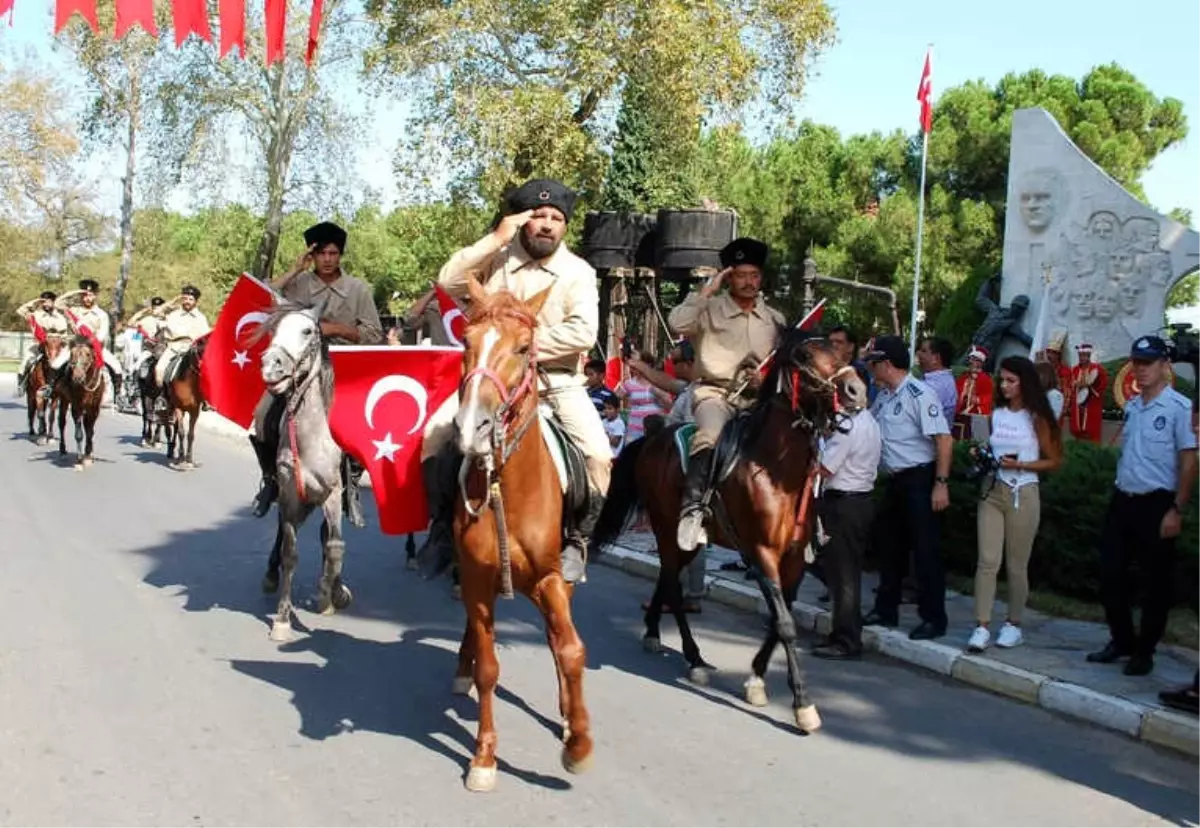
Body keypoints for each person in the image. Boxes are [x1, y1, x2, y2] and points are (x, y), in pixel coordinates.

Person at [418, 178, 610, 584]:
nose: (546, 224)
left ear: (565, 226)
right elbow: (449, 281)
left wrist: (521, 346)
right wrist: (493, 238)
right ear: (522, 221)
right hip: (492, 382)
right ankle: (440, 530)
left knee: (598, 455)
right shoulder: (497, 260)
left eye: (556, 218)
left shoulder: (579, 272)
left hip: (556, 381)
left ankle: (577, 540)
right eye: (538, 216)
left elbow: (583, 332)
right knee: (434, 436)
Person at [250, 221, 383, 528]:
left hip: (341, 369)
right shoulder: (300, 285)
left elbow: (374, 333)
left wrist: (335, 329)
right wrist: (295, 269)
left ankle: (350, 488)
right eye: (321, 253)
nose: (327, 259)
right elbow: (262, 296)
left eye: (333, 253)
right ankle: (271, 478)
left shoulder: (357, 289)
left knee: (359, 425)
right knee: (262, 413)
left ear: (340, 255)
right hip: (299, 367)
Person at [668, 237, 785, 552]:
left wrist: (766, 379)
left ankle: (805, 518)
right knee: (710, 435)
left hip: (761, 400)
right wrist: (708, 289)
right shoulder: (709, 309)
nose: (749, 282)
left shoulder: (775, 319)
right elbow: (677, 322)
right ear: (729, 277)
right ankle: (694, 510)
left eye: (754, 275)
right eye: (741, 275)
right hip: (717, 395)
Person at [1087, 336, 1196, 676]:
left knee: (1155, 584)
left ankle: (1144, 651)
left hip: (1157, 504)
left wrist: (1176, 508)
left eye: (1148, 363)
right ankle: (1121, 640)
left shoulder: (1179, 408)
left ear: (1166, 366)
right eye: (1137, 362)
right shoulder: (1133, 406)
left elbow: (1189, 462)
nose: (1141, 369)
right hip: (1123, 500)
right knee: (1110, 574)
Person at [966, 356, 1063, 653]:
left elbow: (1055, 459)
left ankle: (1013, 624)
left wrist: (1021, 465)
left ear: (1025, 382)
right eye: (1002, 379)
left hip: (1024, 492)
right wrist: (979, 453)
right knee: (987, 561)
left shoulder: (1037, 417)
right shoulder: (996, 414)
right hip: (993, 489)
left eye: (1011, 380)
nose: (1005, 385)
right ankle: (981, 625)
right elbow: (990, 446)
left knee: (1016, 564)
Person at [863, 335, 952, 640]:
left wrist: (941, 484)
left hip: (920, 478)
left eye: (874, 363)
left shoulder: (919, 394)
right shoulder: (886, 395)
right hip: (896, 480)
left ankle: (933, 618)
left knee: (925, 551)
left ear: (886, 364)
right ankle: (886, 608)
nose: (871, 369)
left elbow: (943, 439)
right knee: (888, 545)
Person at [812, 371, 880, 659]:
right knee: (845, 571)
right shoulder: (869, 422)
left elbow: (825, 469)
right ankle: (845, 632)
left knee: (843, 576)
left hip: (844, 503)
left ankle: (846, 639)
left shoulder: (848, 427)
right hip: (861, 500)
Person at [56, 279, 123, 397]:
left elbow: (102, 335)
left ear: (95, 296)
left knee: (116, 366)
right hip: (75, 346)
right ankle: (51, 387)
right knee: (56, 364)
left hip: (95, 347)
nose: (87, 298)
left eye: (90, 295)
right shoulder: (74, 311)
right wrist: (75, 292)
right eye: (84, 295)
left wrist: (90, 341)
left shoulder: (101, 314)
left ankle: (117, 394)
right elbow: (58, 304)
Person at [153, 286, 211, 389]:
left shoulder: (201, 318)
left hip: (193, 350)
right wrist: (172, 301)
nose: (187, 302)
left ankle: (208, 401)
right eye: (185, 299)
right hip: (174, 348)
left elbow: (205, 335)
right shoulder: (174, 315)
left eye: (191, 299)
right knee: (159, 368)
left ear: (196, 301)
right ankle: (162, 397)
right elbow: (156, 313)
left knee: (210, 371)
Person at [14, 290, 71, 392]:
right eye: (44, 301)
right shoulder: (36, 315)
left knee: (69, 363)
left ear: (54, 302)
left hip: (57, 346)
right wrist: (36, 301)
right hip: (39, 345)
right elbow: (20, 310)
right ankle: (22, 384)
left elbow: (64, 335)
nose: (46, 304)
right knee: (26, 361)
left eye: (49, 301)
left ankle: (68, 387)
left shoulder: (60, 317)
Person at [616, 349, 672, 442]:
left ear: (648, 364)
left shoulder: (660, 382)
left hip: (655, 430)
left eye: (637, 363)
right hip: (634, 431)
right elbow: (614, 398)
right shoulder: (629, 383)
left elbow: (670, 406)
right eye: (632, 364)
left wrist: (658, 393)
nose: (633, 366)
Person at [953, 345, 993, 441]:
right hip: (960, 414)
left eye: (974, 359)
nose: (971, 362)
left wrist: (977, 400)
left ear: (980, 362)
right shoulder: (963, 377)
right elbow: (956, 393)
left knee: (978, 440)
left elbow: (989, 397)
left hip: (977, 415)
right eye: (971, 359)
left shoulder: (986, 379)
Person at [1070, 343, 1107, 443]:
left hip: (1091, 403)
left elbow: (1102, 384)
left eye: (1084, 355)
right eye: (1080, 355)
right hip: (1078, 405)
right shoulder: (1074, 370)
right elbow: (1070, 385)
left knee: (1091, 431)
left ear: (1089, 356)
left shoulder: (1097, 369)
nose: (1082, 358)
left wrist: (1090, 386)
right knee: (1078, 430)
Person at [917, 336, 957, 425]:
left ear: (936, 358)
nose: (918, 353)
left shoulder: (938, 386)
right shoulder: (943, 380)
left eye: (923, 351)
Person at [829, 325, 874, 404]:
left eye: (839, 342)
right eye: (831, 342)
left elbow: (860, 402)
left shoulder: (859, 370)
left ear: (850, 347)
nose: (834, 345)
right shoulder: (825, 368)